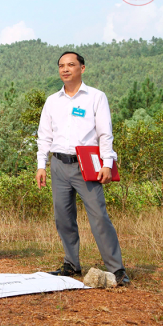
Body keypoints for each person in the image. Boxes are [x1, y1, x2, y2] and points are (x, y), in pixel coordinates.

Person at [36, 51, 129, 286]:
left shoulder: (96, 97)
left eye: (70, 65)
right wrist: (41, 165)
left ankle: (116, 269)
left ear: (82, 68)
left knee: (99, 217)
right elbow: (44, 136)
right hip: (58, 164)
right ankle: (71, 264)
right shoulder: (52, 101)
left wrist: (107, 164)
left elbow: (105, 133)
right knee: (63, 217)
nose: (65, 69)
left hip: (86, 166)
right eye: (61, 66)